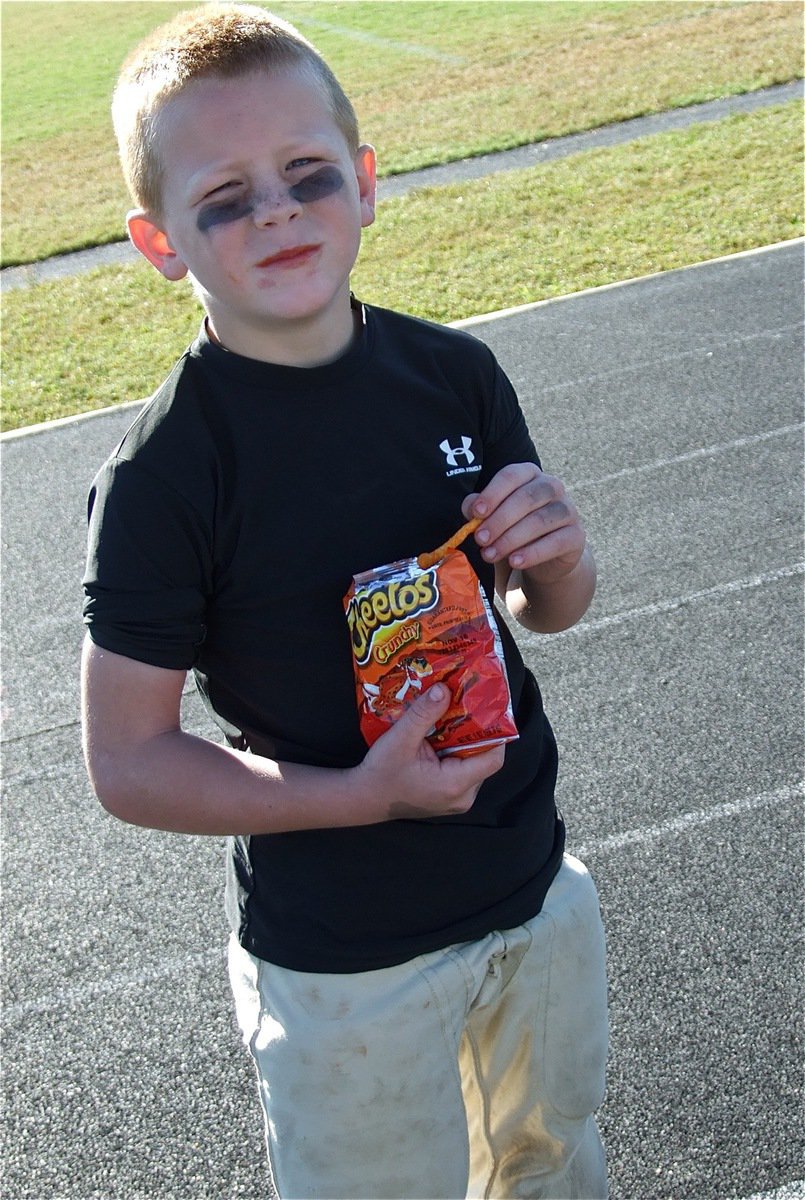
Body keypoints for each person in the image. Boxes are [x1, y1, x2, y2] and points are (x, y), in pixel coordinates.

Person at [81, 6, 609, 1198]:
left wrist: (561, 553)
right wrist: (360, 800)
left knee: (554, 1164)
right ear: (160, 243)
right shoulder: (167, 475)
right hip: (346, 961)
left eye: (308, 174)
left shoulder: (454, 373)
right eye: (224, 196)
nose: (275, 210)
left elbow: (545, 609)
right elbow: (130, 761)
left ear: (365, 186)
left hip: (529, 885)